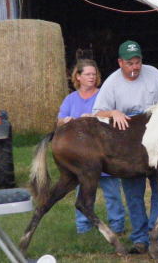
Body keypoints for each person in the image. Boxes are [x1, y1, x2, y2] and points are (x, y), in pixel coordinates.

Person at [92, 40, 158, 254]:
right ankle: (140, 239)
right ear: (120, 63)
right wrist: (114, 113)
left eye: (138, 62)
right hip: (128, 147)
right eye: (130, 63)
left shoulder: (154, 74)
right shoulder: (112, 83)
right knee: (133, 193)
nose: (135, 67)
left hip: (156, 143)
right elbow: (97, 112)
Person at [57, 58, 126, 235]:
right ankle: (83, 229)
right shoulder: (71, 99)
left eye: (94, 74)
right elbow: (59, 121)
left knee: (112, 193)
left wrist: (97, 117)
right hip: (83, 159)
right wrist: (66, 121)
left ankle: (117, 227)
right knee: (84, 193)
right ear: (78, 77)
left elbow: (115, 117)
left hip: (105, 154)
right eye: (87, 74)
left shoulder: (103, 94)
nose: (92, 77)